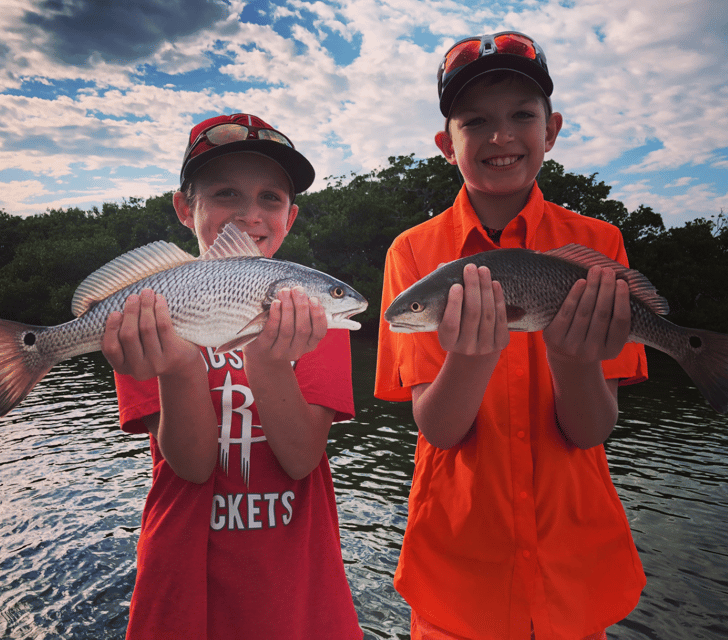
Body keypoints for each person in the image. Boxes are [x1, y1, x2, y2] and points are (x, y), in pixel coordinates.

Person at [375, 32, 648, 640]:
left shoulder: (599, 245)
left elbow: (593, 430)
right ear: (448, 145)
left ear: (550, 130)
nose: (501, 136)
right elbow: (440, 430)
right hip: (456, 575)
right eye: (476, 121)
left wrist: (572, 361)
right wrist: (472, 357)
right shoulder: (412, 254)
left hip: (573, 573)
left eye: (522, 116)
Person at [102, 113, 363, 640]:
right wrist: (177, 364)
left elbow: (299, 458)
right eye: (226, 194)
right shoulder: (151, 310)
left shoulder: (322, 327)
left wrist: (267, 361)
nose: (251, 215)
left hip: (294, 585)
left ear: (291, 215)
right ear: (184, 208)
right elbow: (192, 466)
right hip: (180, 581)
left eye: (271, 198)